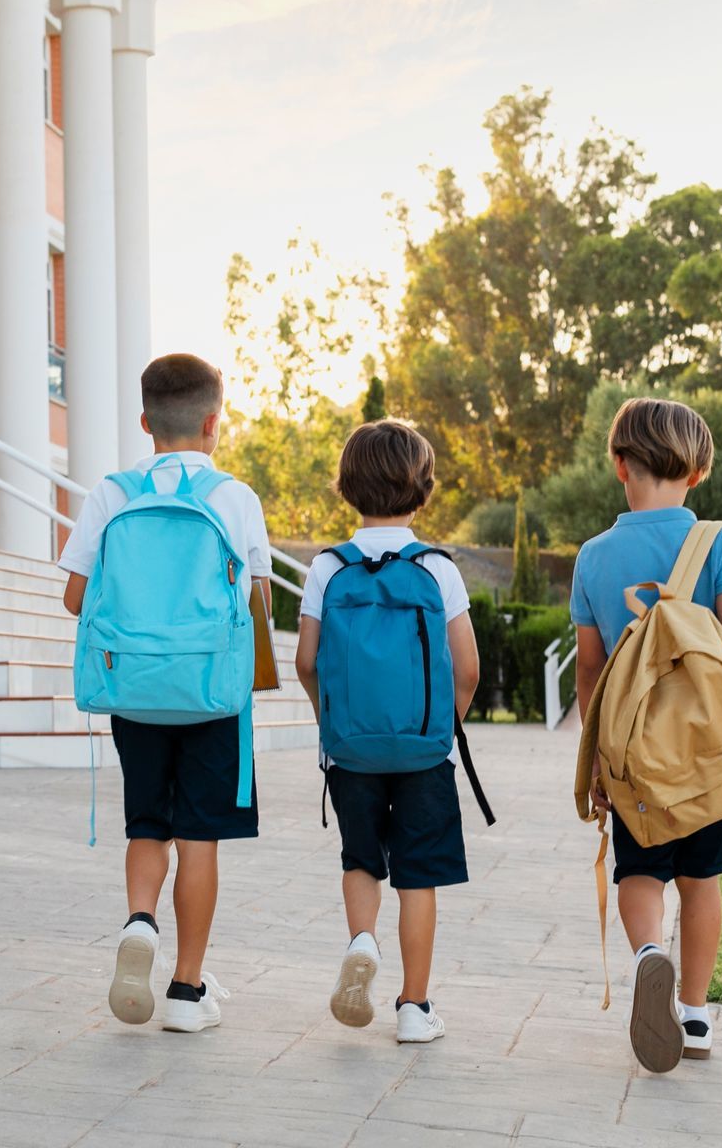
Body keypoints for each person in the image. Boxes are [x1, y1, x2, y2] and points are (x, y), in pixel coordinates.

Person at [59, 353, 272, 1034]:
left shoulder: (111, 494)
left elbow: (75, 597)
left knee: (148, 822)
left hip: (135, 691)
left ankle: (141, 919)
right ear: (214, 422)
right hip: (212, 694)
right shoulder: (235, 498)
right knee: (200, 837)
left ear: (145, 421)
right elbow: (258, 606)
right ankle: (187, 989)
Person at [570, 397, 722, 1070]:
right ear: (699, 470)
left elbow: (591, 671)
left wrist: (596, 760)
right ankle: (695, 1012)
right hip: (708, 751)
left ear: (619, 465)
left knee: (641, 870)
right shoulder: (719, 542)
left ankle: (650, 952)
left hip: (632, 753)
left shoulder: (594, 556)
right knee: (702, 878)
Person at [294, 419, 480, 1045]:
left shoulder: (327, 567)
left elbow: (305, 660)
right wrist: (442, 727)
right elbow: (468, 666)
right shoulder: (437, 568)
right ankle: (415, 1007)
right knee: (417, 876)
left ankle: (362, 940)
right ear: (422, 488)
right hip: (424, 750)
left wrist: (333, 724)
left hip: (351, 750)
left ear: (346, 486)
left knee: (361, 860)